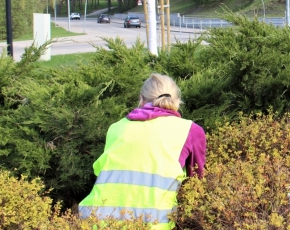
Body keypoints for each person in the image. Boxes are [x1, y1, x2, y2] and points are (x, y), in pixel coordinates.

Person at [78, 73, 206, 229]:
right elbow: (197, 183)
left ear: (141, 99)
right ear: (177, 100)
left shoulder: (116, 128)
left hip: (96, 221)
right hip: (152, 224)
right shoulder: (190, 130)